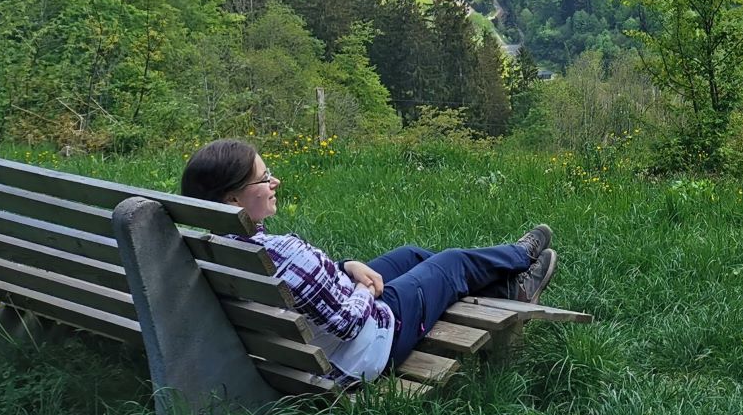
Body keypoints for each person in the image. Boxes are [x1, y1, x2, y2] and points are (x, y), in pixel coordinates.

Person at [181, 138, 557, 385]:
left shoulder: (210, 248)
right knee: (451, 262)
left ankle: (508, 286)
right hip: (366, 346)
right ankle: (518, 258)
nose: (274, 181)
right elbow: (347, 322)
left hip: (312, 342)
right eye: (264, 178)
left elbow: (306, 286)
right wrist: (363, 289)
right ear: (233, 200)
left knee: (409, 255)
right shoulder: (281, 253)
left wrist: (346, 267)